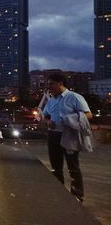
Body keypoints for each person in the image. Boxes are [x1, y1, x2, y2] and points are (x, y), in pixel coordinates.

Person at [41, 73, 92, 202]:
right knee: (55, 167)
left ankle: (77, 195)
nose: (49, 87)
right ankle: (59, 193)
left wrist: (70, 119)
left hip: (69, 136)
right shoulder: (51, 100)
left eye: (51, 83)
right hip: (53, 136)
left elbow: (88, 115)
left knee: (73, 167)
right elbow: (45, 115)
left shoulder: (74, 98)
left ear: (60, 83)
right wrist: (48, 122)